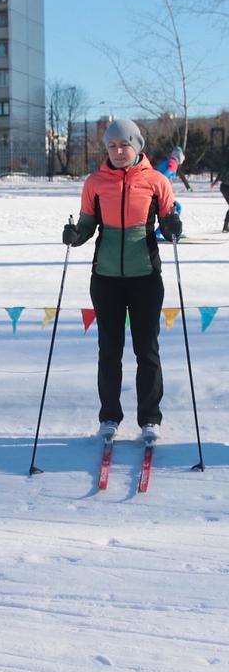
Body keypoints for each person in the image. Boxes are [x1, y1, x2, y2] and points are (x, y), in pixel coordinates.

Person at [62, 118, 182, 442]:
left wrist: (173, 227)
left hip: (146, 277)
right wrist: (75, 235)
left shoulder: (157, 181)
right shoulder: (95, 183)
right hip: (106, 279)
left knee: (147, 351)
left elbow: (169, 220)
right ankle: (109, 417)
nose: (117, 151)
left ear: (137, 145)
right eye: (112, 146)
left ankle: (150, 419)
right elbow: (87, 225)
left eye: (123, 145)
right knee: (109, 351)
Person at [210, 148, 229, 233]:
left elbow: (220, 174)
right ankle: (225, 227)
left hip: (223, 187)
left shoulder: (225, 164)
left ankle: (225, 226)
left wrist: (214, 183)